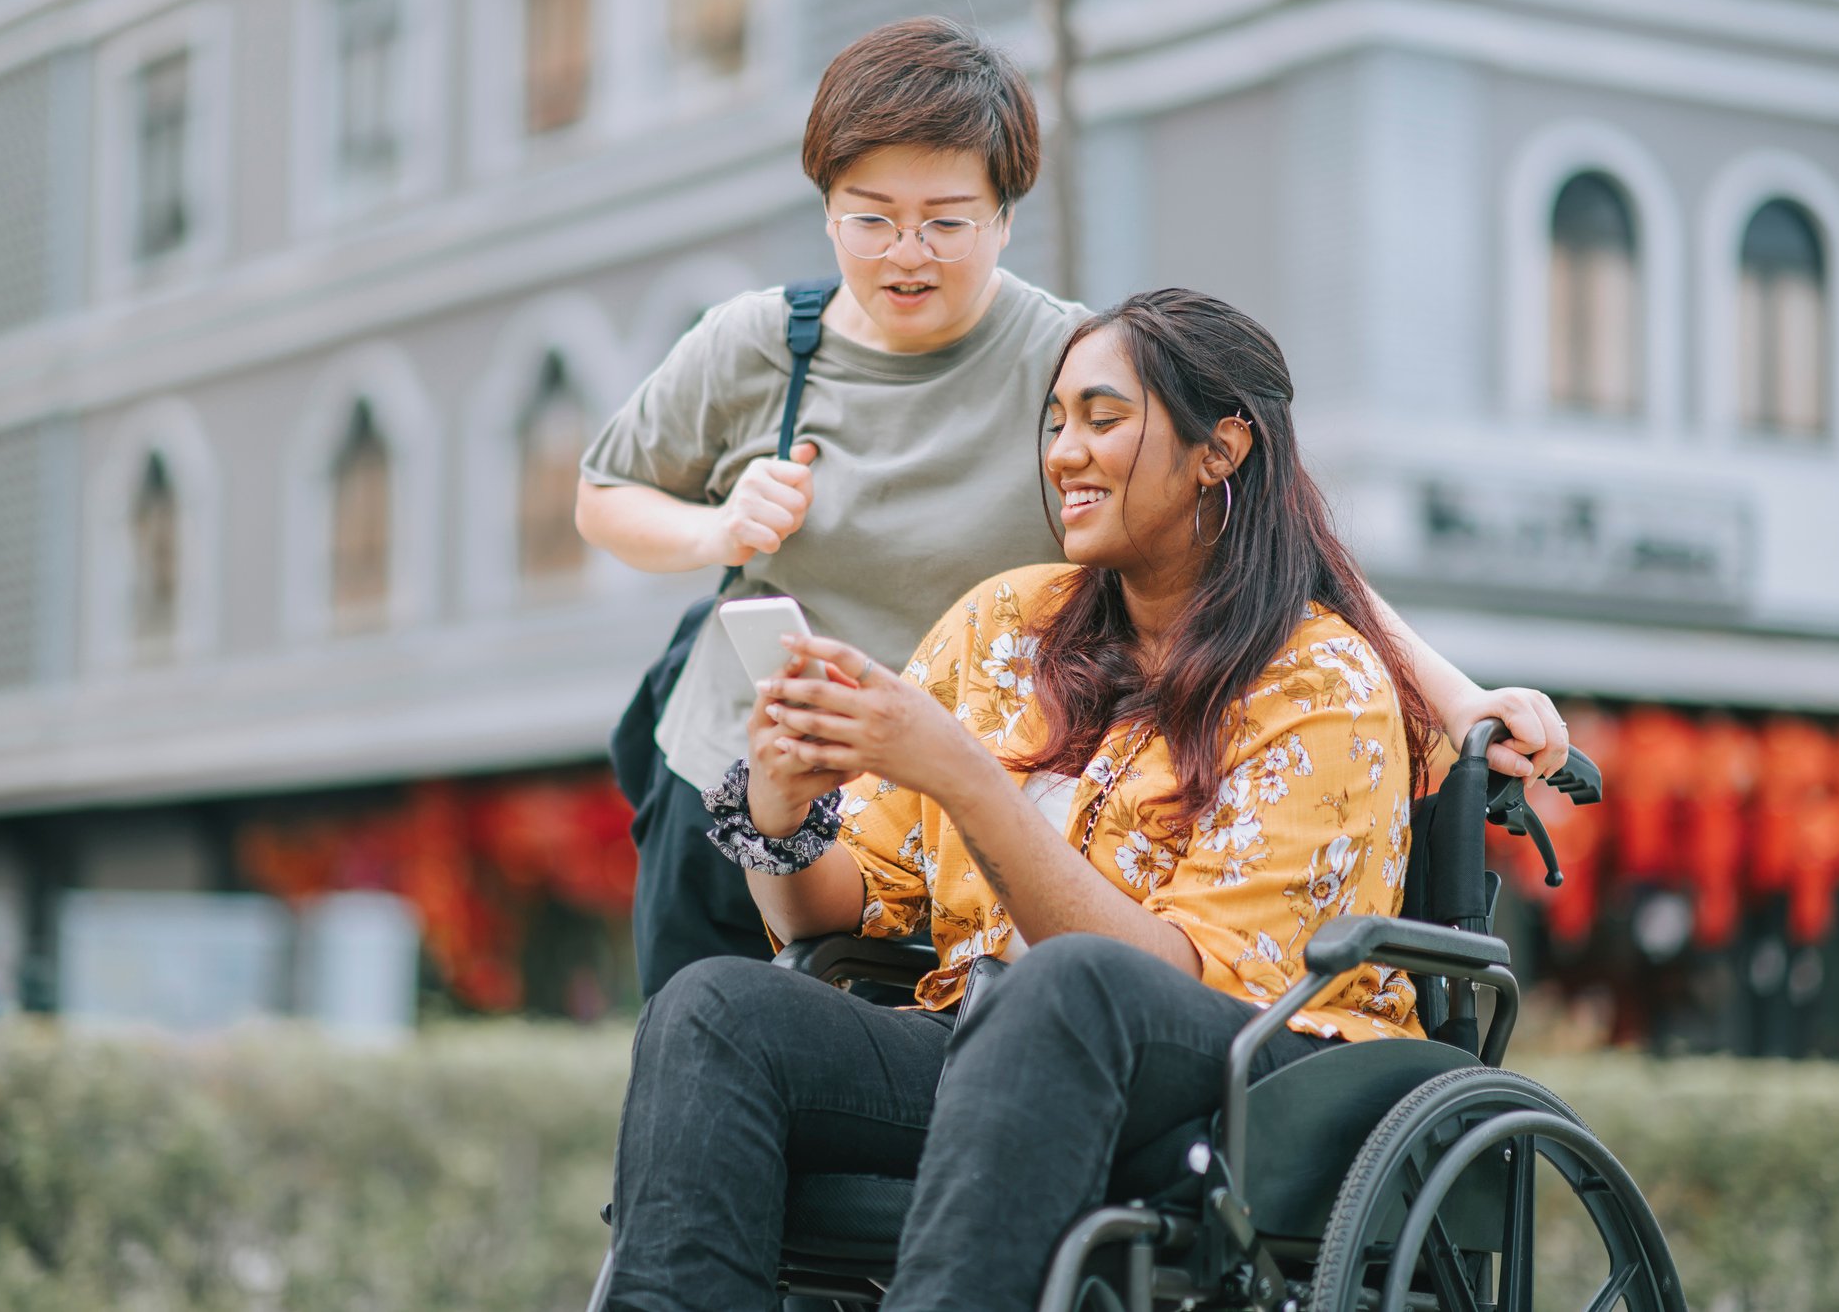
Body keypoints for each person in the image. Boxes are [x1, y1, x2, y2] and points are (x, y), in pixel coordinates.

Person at [578, 17, 1567, 1000]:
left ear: (1006, 217)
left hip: (938, 802)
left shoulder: (1070, 369)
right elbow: (602, 495)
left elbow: (1271, 540)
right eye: (869, 217)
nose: (906, 253)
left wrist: (1458, 698)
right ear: (827, 210)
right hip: (747, 764)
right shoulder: (755, 344)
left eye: (947, 219)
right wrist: (720, 529)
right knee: (698, 1039)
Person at [604, 288, 1474, 1311]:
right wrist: (781, 812)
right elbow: (842, 907)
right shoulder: (999, 626)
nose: (1064, 451)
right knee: (714, 1006)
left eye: (1103, 419)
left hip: (1249, 1075)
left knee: (1066, 987)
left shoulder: (1317, 682)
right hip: (995, 1053)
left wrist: (967, 778)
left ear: (1220, 448)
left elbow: (1179, 979)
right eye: (1054, 421)